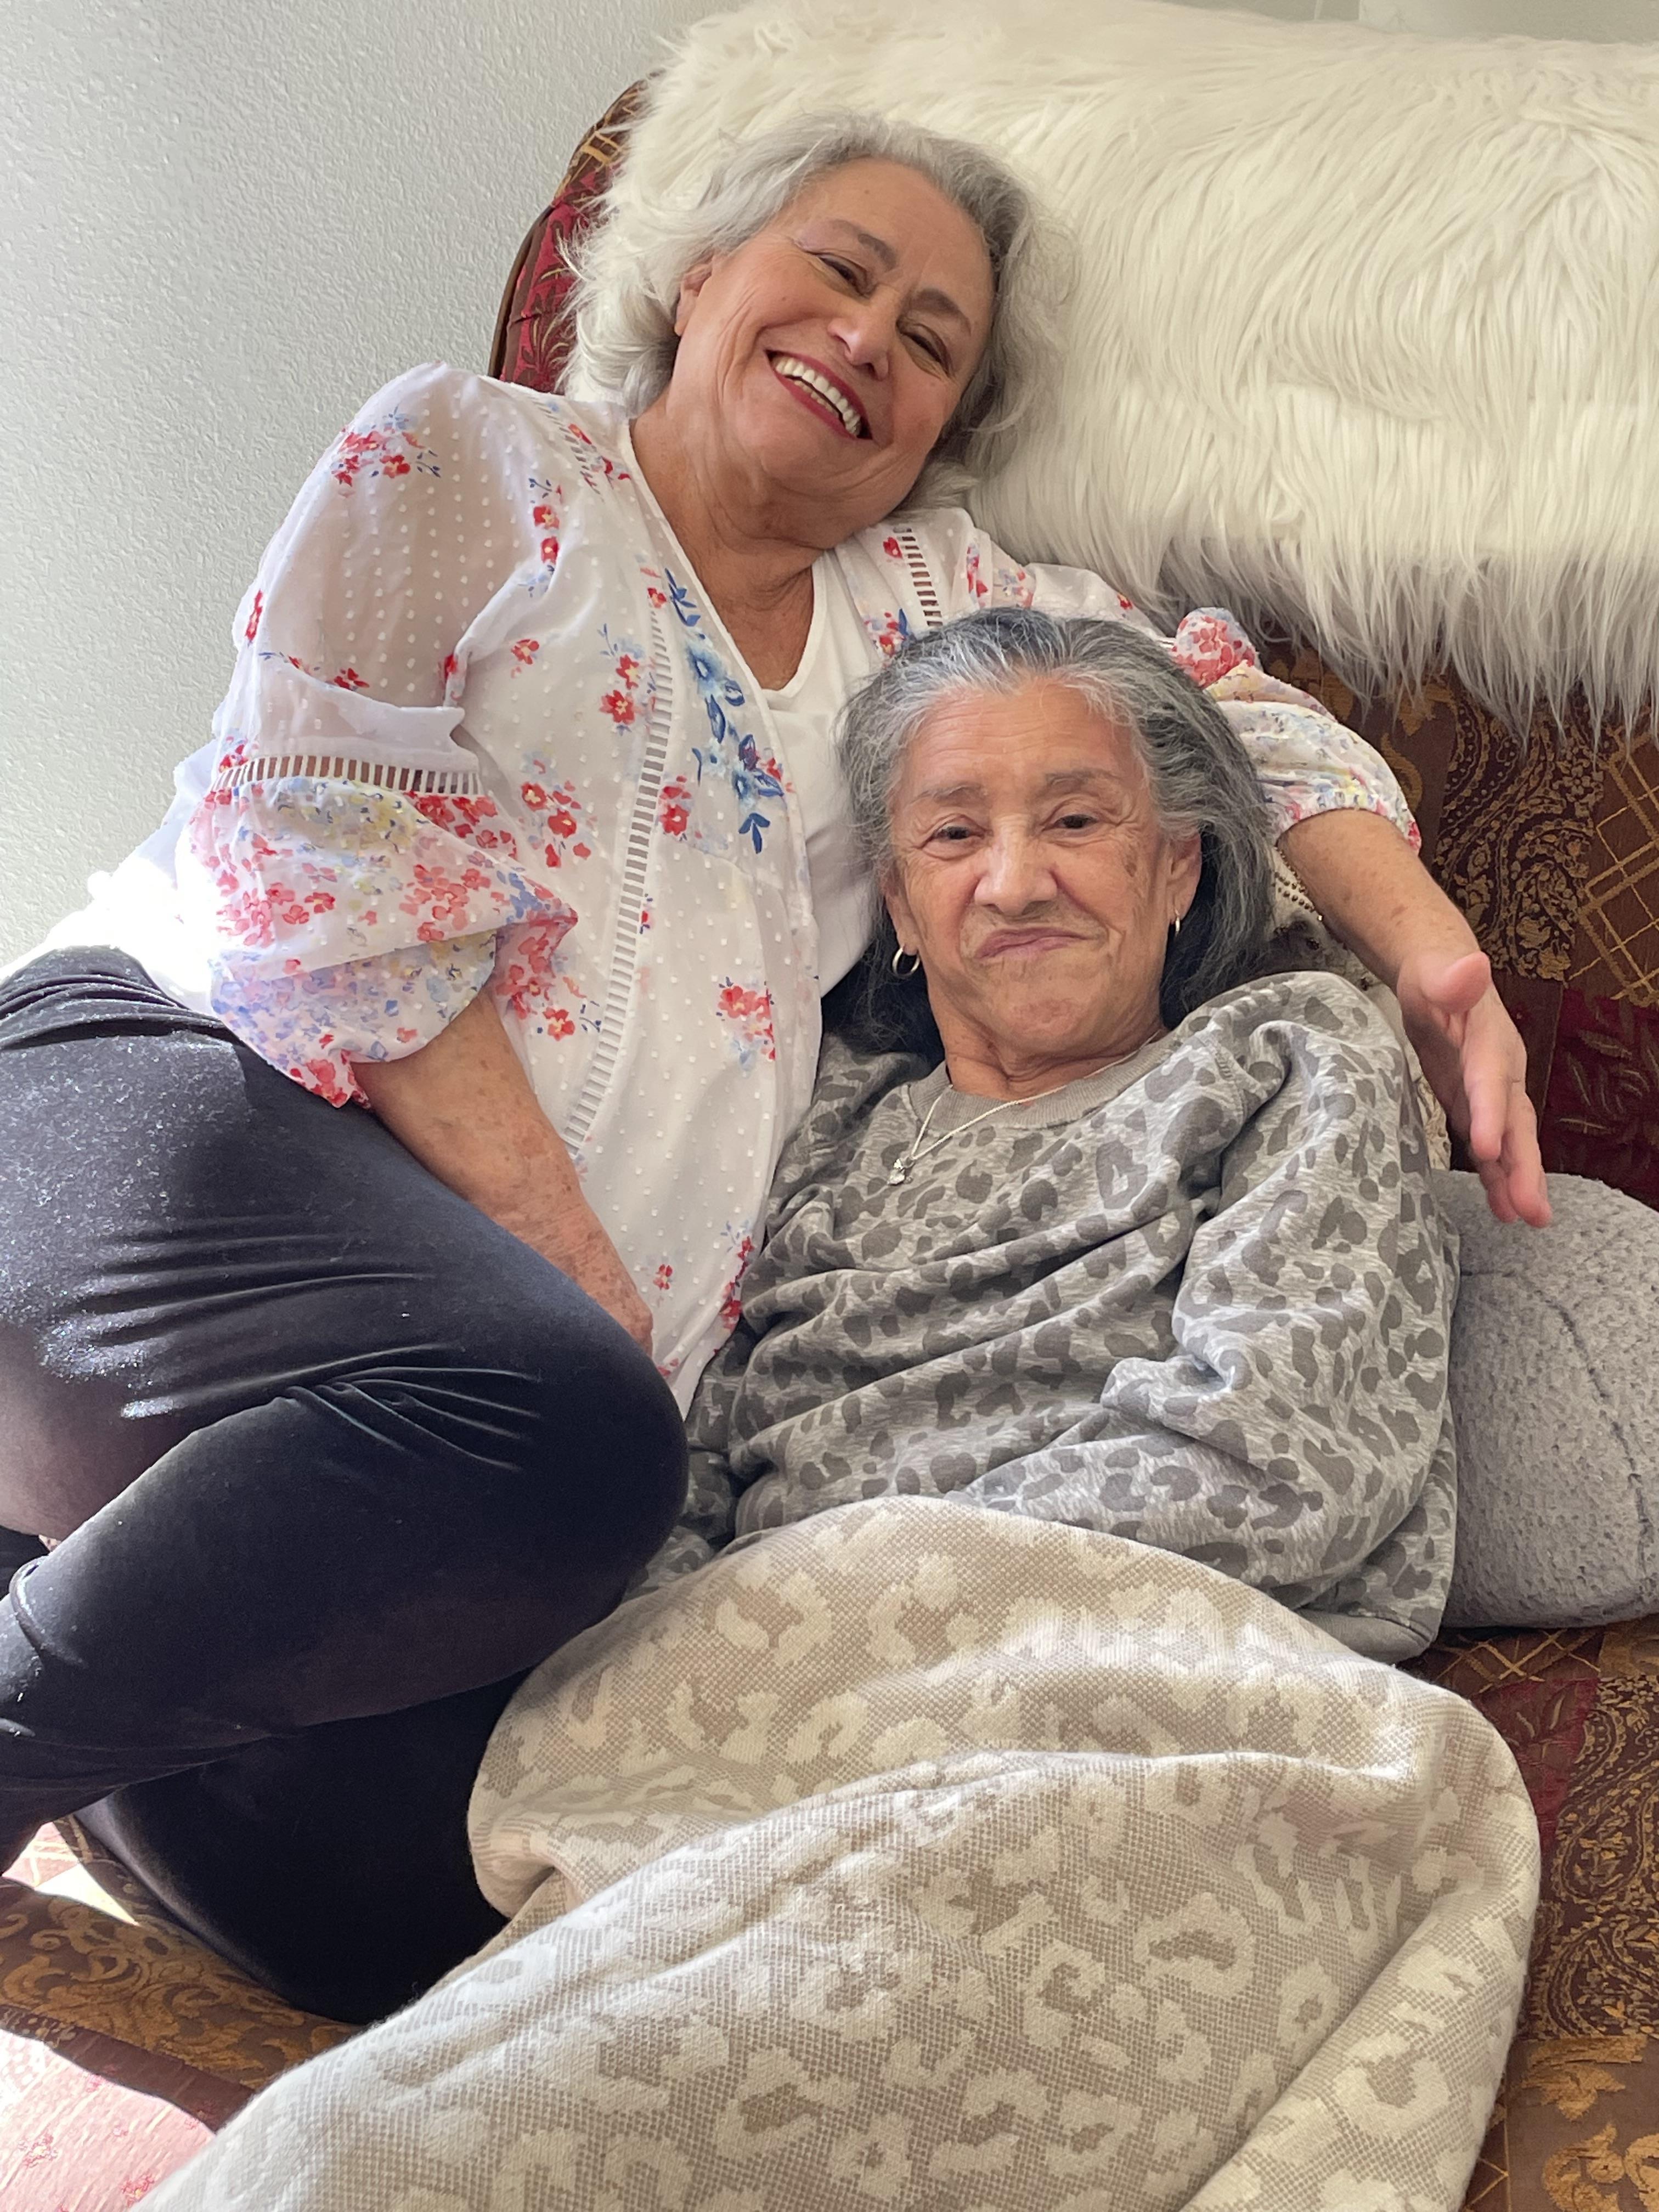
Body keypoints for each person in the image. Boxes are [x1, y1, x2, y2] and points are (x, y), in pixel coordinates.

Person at [0, 113, 1529, 2023]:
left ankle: (65, 1570)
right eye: (837, 266)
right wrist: (586, 1315)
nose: (870, 336)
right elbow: (317, 860)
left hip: (451, 1444)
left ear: (945, 421)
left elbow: (1218, 714)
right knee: (559, 1435)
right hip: (152, 1112)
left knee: (428, 1904)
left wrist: (1430, 957)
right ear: (697, 272)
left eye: (933, 337)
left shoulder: (926, 606)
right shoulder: (477, 458)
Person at [658, 608, 1458, 1657]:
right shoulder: (827, 1116)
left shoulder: (1286, 1057)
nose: (1016, 884)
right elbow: (695, 1472)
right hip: (757, 1674)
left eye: (1076, 822)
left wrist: (822, 1621)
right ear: (901, 905)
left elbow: (1280, 1467)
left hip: (1139, 1658)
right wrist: (663, 1652)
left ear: (1178, 866)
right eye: (955, 835)